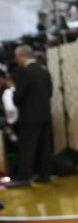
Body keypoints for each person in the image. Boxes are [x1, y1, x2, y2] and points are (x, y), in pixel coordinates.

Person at [8, 45, 54, 188]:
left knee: (27, 147)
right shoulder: (44, 71)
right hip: (45, 114)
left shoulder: (25, 72)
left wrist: (16, 97)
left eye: (17, 57)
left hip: (29, 117)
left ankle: (24, 177)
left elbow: (19, 96)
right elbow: (50, 92)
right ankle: (45, 174)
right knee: (44, 146)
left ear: (22, 56)